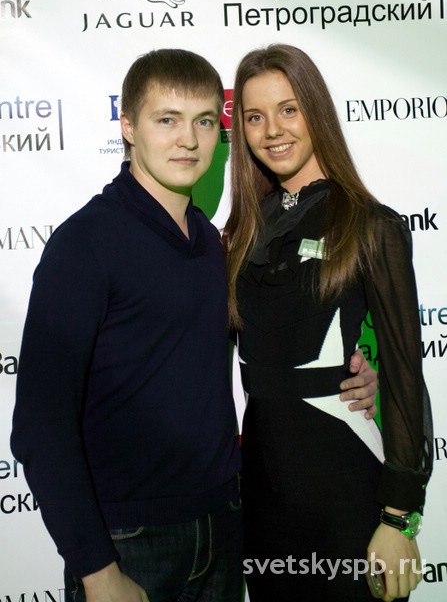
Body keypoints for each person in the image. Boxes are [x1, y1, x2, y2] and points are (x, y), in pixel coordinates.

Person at [11, 48, 377, 602]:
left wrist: (351, 377)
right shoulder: (84, 244)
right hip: (128, 543)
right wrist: (96, 569)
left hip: (225, 527)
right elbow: (40, 427)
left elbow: (270, 345)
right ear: (128, 127)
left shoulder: (214, 244)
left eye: (204, 121)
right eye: (167, 120)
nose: (188, 140)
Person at [223, 44, 433, 602]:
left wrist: (398, 517)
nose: (273, 130)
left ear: (316, 110)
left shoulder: (372, 226)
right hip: (262, 493)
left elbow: (405, 376)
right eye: (254, 116)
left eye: (289, 109)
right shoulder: (240, 234)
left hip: (346, 488)